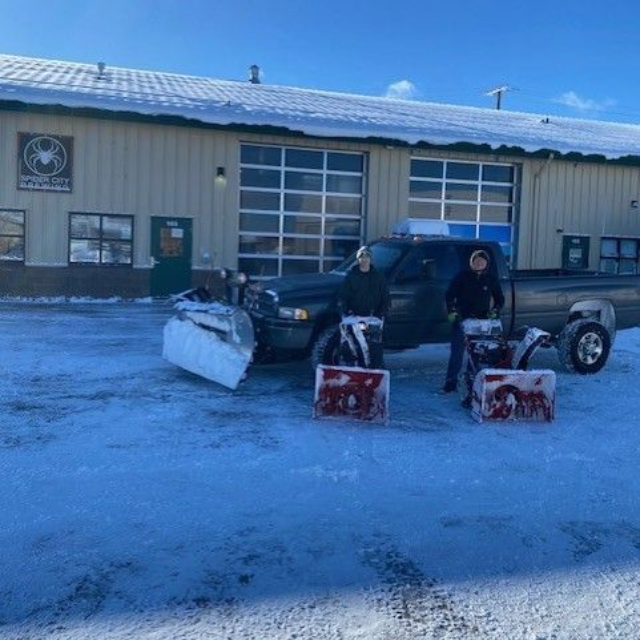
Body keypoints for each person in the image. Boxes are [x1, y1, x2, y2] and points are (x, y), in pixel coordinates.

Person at [441, 248, 505, 393]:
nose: (478, 264)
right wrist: (452, 311)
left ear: (486, 264)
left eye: (481, 262)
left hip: (481, 322)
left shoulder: (490, 279)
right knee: (457, 352)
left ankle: (472, 381)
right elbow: (449, 295)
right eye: (476, 261)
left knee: (476, 353)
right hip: (462, 320)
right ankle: (450, 382)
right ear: (471, 262)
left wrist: (495, 310)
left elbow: (500, 298)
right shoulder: (462, 277)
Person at [338, 245, 391, 368]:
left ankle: (375, 372)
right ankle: (351, 371)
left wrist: (380, 313)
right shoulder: (351, 277)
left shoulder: (379, 277)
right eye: (361, 257)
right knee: (351, 346)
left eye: (367, 256)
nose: (364, 259)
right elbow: (342, 297)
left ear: (370, 259)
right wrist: (346, 312)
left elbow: (386, 298)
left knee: (374, 349)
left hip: (373, 319)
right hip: (354, 318)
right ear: (358, 259)